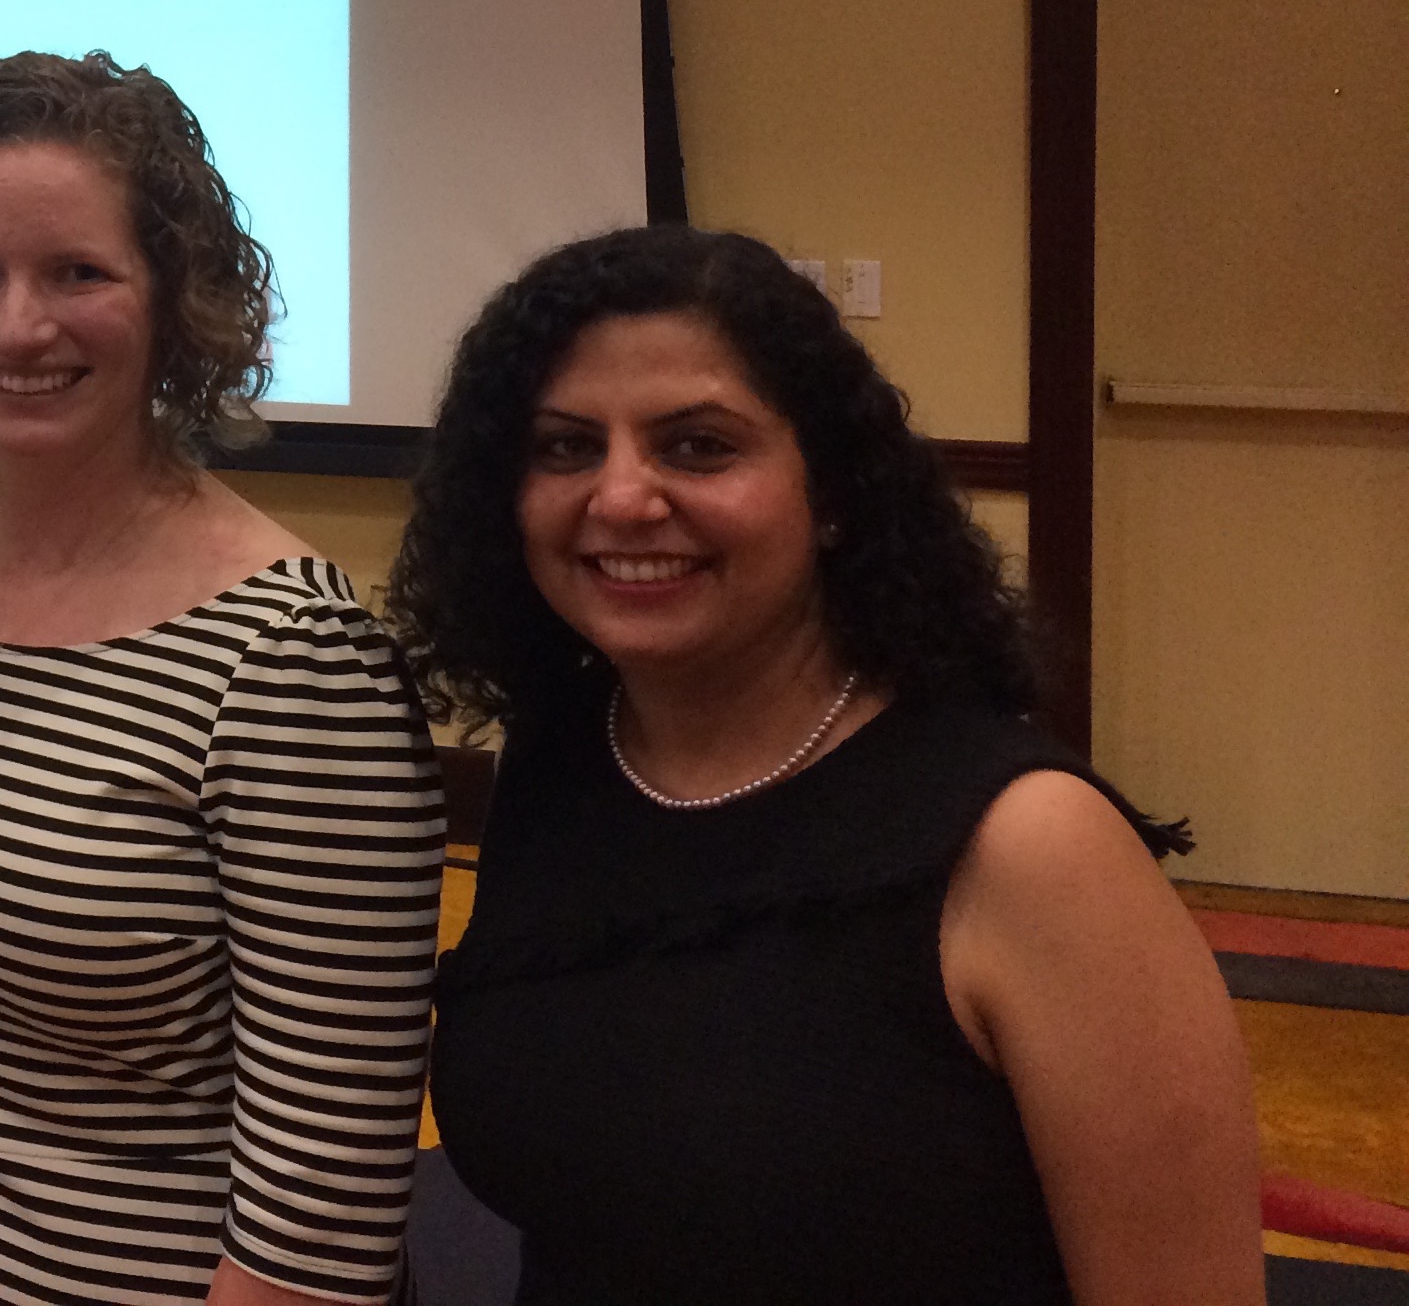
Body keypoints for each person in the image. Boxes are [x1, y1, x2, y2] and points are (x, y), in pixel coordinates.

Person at [392, 226, 1261, 1306]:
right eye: (566, 448)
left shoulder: (1029, 846)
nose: (620, 498)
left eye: (698, 446)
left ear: (835, 492)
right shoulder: (562, 763)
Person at [0, 52, 444, 1306]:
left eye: (78, 273)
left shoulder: (296, 658)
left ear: (176, 299)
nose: (16, 327)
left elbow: (323, 1204)